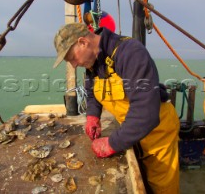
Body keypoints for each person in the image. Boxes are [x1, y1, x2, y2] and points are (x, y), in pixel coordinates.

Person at [53, 22, 180, 194]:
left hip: (157, 135)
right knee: (140, 179)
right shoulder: (93, 62)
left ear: (83, 42)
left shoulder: (130, 53)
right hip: (130, 133)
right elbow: (92, 93)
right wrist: (92, 116)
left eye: (72, 58)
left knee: (161, 185)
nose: (73, 65)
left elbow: (145, 112)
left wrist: (112, 143)